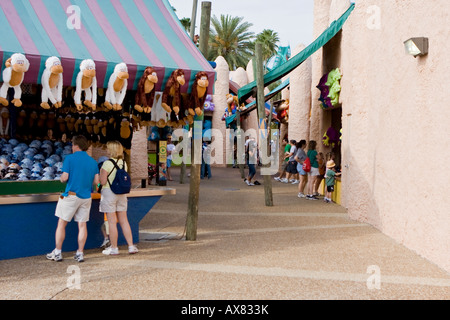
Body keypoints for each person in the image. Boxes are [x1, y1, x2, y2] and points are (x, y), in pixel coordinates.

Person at [46, 135, 99, 262]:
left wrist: (61, 178)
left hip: (71, 195)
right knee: (82, 225)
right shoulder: (92, 161)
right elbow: (96, 181)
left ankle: (58, 252)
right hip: (86, 197)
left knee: (61, 224)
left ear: (76, 145)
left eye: (72, 144)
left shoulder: (69, 159)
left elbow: (64, 177)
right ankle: (80, 253)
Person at [99, 140, 138, 255]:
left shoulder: (106, 164)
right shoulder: (123, 163)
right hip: (121, 194)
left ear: (111, 150)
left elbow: (103, 181)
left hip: (109, 193)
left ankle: (114, 247)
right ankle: (131, 246)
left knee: (111, 222)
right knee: (124, 220)